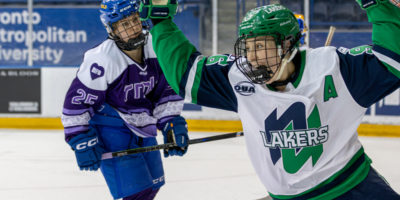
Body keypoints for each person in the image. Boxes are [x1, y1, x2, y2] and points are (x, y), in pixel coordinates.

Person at [140, 0, 400, 199]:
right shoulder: (237, 77)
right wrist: (161, 22)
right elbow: (185, 73)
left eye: (261, 46)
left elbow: (391, 60)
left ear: (287, 45)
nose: (252, 57)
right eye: (249, 47)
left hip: (352, 189)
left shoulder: (334, 68)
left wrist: (375, 4)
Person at [61, 0, 189, 199]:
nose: (133, 28)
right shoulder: (102, 59)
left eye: (135, 19)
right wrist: (80, 138)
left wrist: (170, 121)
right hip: (111, 129)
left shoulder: (155, 45)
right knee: (137, 192)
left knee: (154, 185)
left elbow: (166, 91)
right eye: (125, 24)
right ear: (111, 29)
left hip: (143, 125)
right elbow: (77, 103)